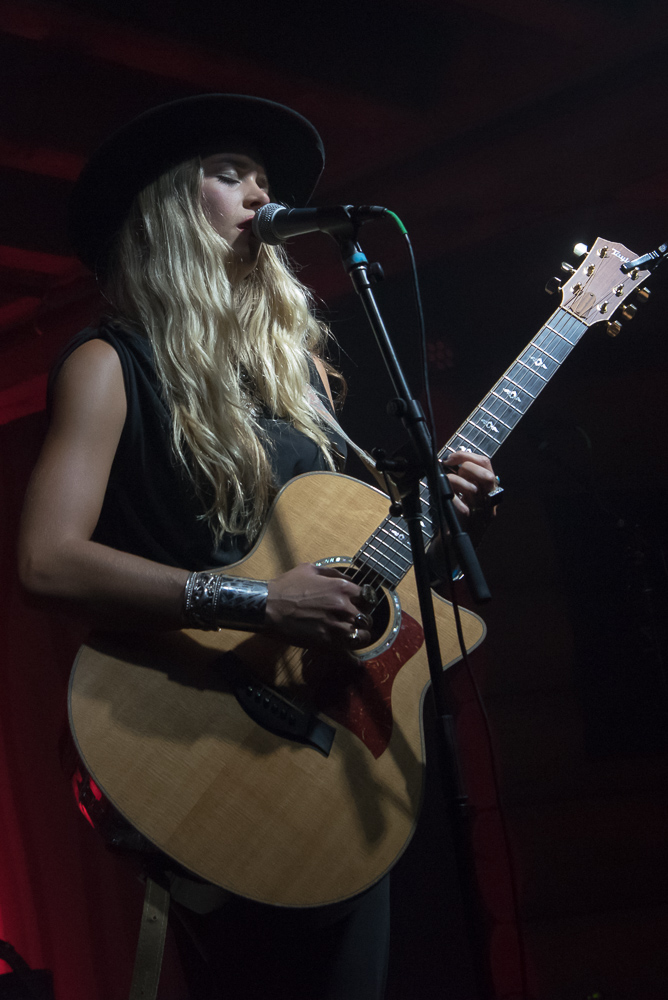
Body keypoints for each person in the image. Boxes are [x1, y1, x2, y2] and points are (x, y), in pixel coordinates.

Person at [18, 94, 498, 999]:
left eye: (263, 180)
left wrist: (437, 512)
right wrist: (259, 602)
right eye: (229, 173)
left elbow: (350, 565)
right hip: (196, 731)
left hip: (330, 742)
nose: (257, 192)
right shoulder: (108, 363)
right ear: (166, 204)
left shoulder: (304, 377)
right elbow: (45, 560)